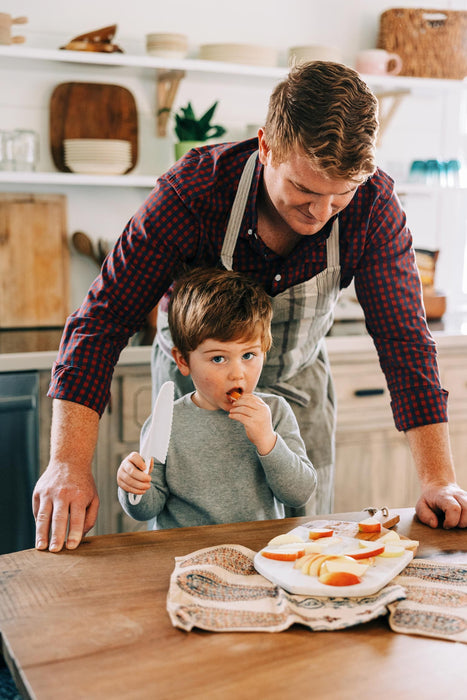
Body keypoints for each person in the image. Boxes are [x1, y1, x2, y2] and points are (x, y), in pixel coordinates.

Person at [34, 60, 467, 552]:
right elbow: (103, 319)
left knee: (306, 547)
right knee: (190, 541)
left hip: (300, 391)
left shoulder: (374, 209)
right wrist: (68, 463)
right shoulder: (194, 193)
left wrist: (439, 478)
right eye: (304, 189)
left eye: (340, 195)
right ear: (266, 147)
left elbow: (404, 342)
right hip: (191, 390)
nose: (321, 214)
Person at [117, 267, 317, 527]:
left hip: (255, 556)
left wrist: (268, 442)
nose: (237, 374)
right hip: (187, 558)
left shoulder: (275, 412)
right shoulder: (167, 421)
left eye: (248, 355)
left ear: (264, 352)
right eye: (218, 358)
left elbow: (299, 493)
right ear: (183, 360)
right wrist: (133, 487)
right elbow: (146, 510)